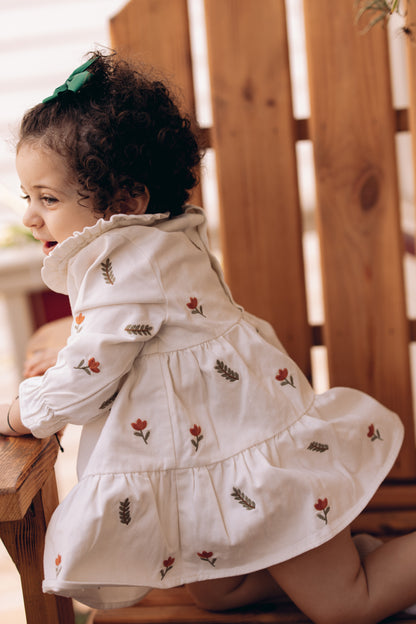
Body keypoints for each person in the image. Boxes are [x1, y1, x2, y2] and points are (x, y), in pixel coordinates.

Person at [0, 50, 414, 624]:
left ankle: (356, 576)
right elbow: (108, 343)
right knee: (215, 590)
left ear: (126, 203)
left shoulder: (129, 266)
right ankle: (353, 561)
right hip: (222, 449)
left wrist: (22, 412)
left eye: (48, 199)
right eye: (29, 198)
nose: (31, 218)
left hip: (253, 457)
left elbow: (88, 378)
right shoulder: (154, 240)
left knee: (347, 609)